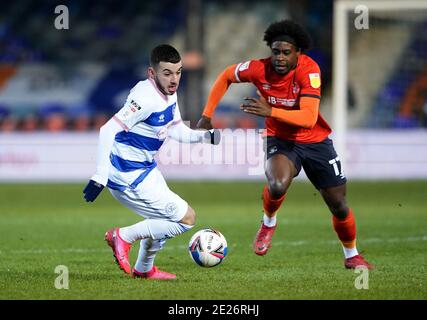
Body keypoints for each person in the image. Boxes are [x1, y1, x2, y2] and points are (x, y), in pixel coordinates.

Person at [197, 20, 373, 269]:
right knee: (278, 184)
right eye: (276, 51)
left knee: (339, 205)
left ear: (298, 52)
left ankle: (351, 255)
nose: (279, 57)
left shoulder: (309, 71)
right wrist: (207, 115)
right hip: (280, 139)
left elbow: (309, 118)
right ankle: (268, 224)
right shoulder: (259, 69)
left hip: (315, 141)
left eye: (286, 52)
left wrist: (272, 110)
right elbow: (226, 75)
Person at [83, 44, 220, 280]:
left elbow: (176, 129)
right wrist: (99, 176)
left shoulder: (169, 91)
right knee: (186, 219)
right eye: (167, 73)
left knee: (164, 220)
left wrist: (203, 136)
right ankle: (123, 236)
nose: (174, 79)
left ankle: (144, 269)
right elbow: (107, 130)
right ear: (151, 73)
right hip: (128, 176)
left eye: (178, 72)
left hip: (146, 170)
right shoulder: (145, 98)